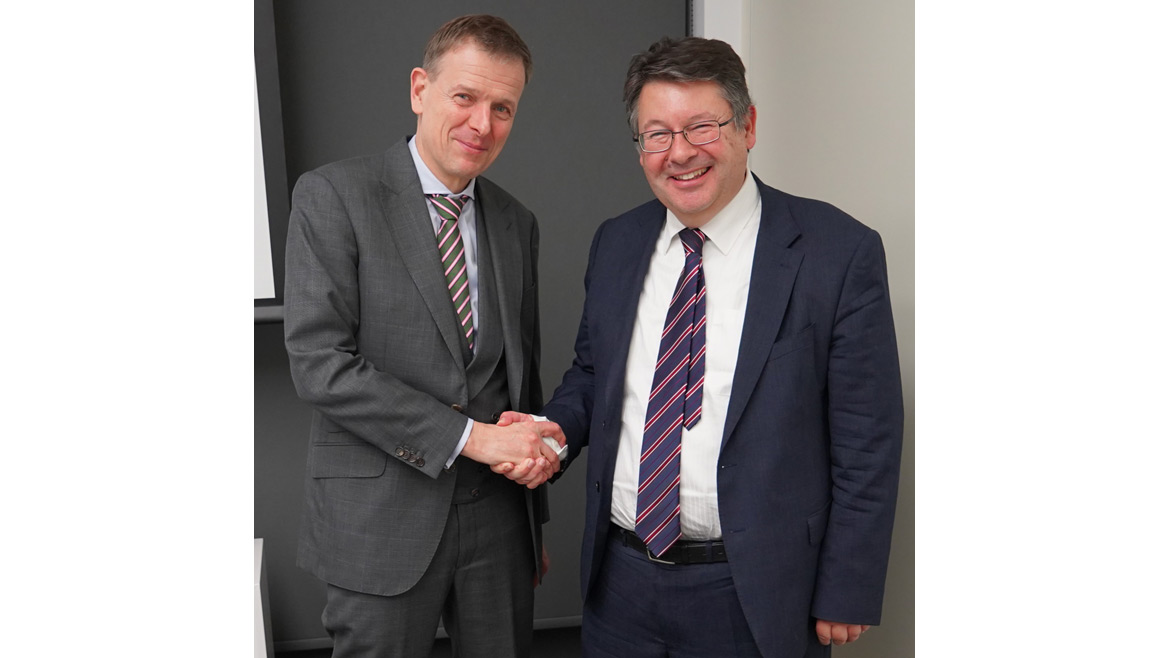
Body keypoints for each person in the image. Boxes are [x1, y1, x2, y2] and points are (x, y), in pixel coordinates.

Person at [499, 36, 903, 657]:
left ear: (748, 126)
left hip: (756, 590)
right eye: (657, 134)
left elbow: (867, 439)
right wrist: (553, 432)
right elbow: (593, 374)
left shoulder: (837, 252)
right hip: (620, 582)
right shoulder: (616, 242)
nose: (680, 152)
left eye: (702, 127)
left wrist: (848, 585)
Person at [283, 14, 563, 658]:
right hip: (378, 523)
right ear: (419, 88)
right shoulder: (334, 196)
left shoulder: (517, 222)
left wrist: (532, 525)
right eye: (465, 97)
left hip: (499, 527)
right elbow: (321, 365)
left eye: (502, 108)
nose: (482, 124)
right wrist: (473, 438)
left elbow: (520, 379)